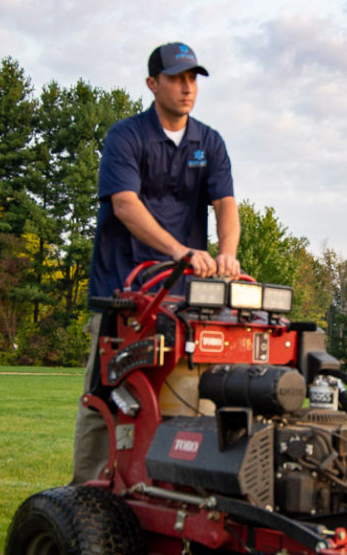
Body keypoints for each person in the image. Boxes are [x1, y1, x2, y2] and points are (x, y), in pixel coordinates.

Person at [72, 42, 241, 484]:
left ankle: (170, 489)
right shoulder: (126, 137)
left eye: (193, 79)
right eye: (176, 78)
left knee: (189, 396)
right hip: (122, 295)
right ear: (153, 84)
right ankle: (87, 491)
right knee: (107, 396)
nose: (187, 88)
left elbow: (226, 205)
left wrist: (228, 252)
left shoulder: (210, 142)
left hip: (183, 301)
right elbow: (126, 206)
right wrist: (180, 251)